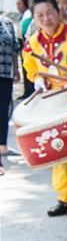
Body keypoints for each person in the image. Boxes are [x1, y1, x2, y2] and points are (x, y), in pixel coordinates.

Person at [21, 0, 67, 220]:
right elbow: (31, 66)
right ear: (34, 17)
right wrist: (37, 78)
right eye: (40, 15)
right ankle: (65, 197)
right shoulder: (32, 42)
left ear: (59, 11)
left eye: (49, 13)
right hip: (53, 103)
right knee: (57, 149)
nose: (46, 18)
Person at [0, 14, 21, 175]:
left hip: (5, 73)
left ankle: (3, 146)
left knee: (4, 111)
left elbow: (14, 48)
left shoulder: (6, 23)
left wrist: (16, 69)